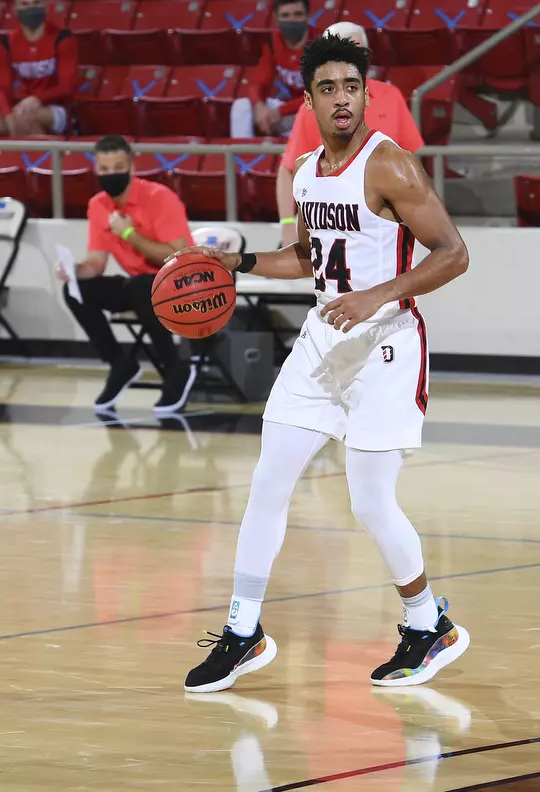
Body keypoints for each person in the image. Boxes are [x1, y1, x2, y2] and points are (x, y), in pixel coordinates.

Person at [178, 34, 469, 693]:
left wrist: (376, 295)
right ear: (307, 100)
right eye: (328, 88)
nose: (342, 98)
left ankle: (429, 625)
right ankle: (244, 631)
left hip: (387, 344)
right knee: (267, 482)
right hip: (320, 340)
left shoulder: (389, 165)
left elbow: (453, 252)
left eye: (352, 86)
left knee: (369, 501)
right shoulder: (307, 171)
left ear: (367, 93)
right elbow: (308, 262)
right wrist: (243, 263)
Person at [57, 135, 197, 414]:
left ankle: (176, 368)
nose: (111, 175)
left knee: (139, 287)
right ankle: (120, 363)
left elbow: (179, 257)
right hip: (139, 285)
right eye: (104, 169)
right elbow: (96, 263)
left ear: (132, 168)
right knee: (78, 292)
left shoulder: (159, 198)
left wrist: (130, 235)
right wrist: (74, 271)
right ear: (96, 170)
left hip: (181, 282)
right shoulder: (98, 205)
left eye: (118, 167)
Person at [275, 21, 423, 246]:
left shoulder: (391, 96)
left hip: (384, 229)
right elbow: (288, 171)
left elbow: (412, 161)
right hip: (330, 228)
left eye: (357, 50)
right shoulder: (314, 106)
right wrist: (287, 223)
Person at [0, 0, 77, 137]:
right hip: (23, 107)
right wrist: (7, 115)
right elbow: (2, 89)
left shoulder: (63, 38)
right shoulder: (8, 42)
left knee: (25, 118)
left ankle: (44, 158)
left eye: (36, 3)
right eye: (25, 4)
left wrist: (37, 98)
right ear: (15, 9)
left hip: (57, 110)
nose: (31, 8)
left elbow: (67, 86)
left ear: (46, 6)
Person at [229, 0, 315, 140]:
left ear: (308, 16)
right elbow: (259, 82)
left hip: (316, 111)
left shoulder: (324, 45)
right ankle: (244, 158)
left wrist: (281, 111)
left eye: (297, 14)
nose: (292, 20)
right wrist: (259, 106)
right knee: (242, 107)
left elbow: (320, 94)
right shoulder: (274, 43)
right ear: (276, 18)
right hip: (290, 111)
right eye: (285, 15)